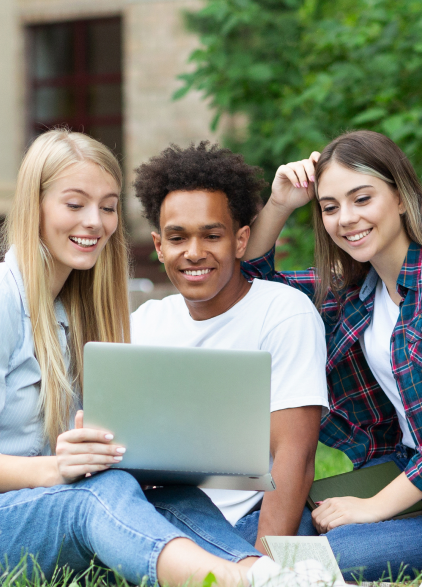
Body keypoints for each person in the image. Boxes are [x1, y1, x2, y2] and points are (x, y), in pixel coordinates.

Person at [0, 130, 339, 587]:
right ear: (34, 207)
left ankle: (277, 580)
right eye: (74, 204)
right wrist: (59, 469)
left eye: (108, 206)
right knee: (99, 494)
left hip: (8, 508)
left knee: (159, 491)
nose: (94, 222)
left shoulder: (76, 310)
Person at [241, 130, 422, 581]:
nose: (346, 218)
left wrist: (373, 508)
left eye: (361, 199)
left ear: (402, 198)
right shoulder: (353, 292)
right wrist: (280, 204)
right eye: (330, 207)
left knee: (318, 558)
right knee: (259, 531)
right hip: (398, 476)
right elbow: (253, 284)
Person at [130, 142, 329, 550]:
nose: (194, 253)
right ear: (158, 246)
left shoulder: (283, 311)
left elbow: (296, 454)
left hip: (244, 522)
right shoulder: (143, 324)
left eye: (211, 235)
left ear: (240, 241)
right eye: (178, 237)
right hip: (153, 513)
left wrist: (261, 563)